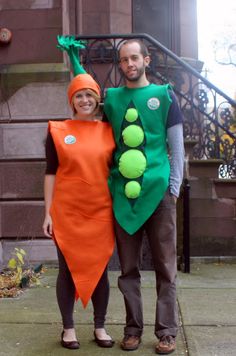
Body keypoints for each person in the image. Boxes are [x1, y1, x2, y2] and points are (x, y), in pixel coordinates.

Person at [103, 39, 184, 354]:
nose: (129, 64)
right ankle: (132, 329)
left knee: (165, 266)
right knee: (128, 268)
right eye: (123, 60)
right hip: (125, 195)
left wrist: (174, 187)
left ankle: (166, 332)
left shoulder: (164, 96)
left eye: (134, 58)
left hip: (159, 191)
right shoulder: (111, 99)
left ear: (146, 60)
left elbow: (176, 146)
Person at [42, 36, 115, 350]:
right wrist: (46, 213)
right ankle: (68, 328)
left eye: (89, 95)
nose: (84, 100)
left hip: (101, 212)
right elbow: (50, 173)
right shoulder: (57, 131)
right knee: (67, 270)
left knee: (100, 269)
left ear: (97, 100)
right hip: (67, 212)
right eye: (78, 95)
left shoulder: (109, 131)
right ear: (71, 100)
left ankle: (100, 327)